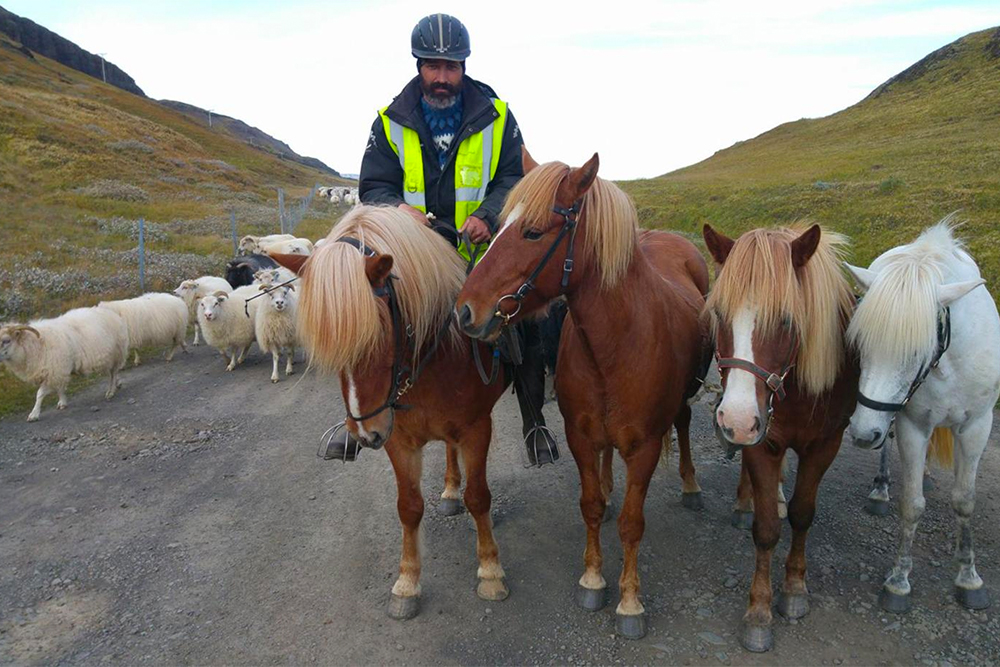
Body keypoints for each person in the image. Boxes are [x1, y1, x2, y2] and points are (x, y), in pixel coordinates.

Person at [331, 13, 557, 467]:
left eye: (451, 67)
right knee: (361, 312)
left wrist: (488, 215)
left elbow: (513, 177)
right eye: (433, 66)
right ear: (418, 66)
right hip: (414, 256)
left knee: (528, 322)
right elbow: (374, 186)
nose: (441, 77)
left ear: (464, 67)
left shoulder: (498, 117)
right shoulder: (387, 122)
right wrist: (399, 209)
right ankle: (355, 418)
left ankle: (534, 419)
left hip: (479, 252)